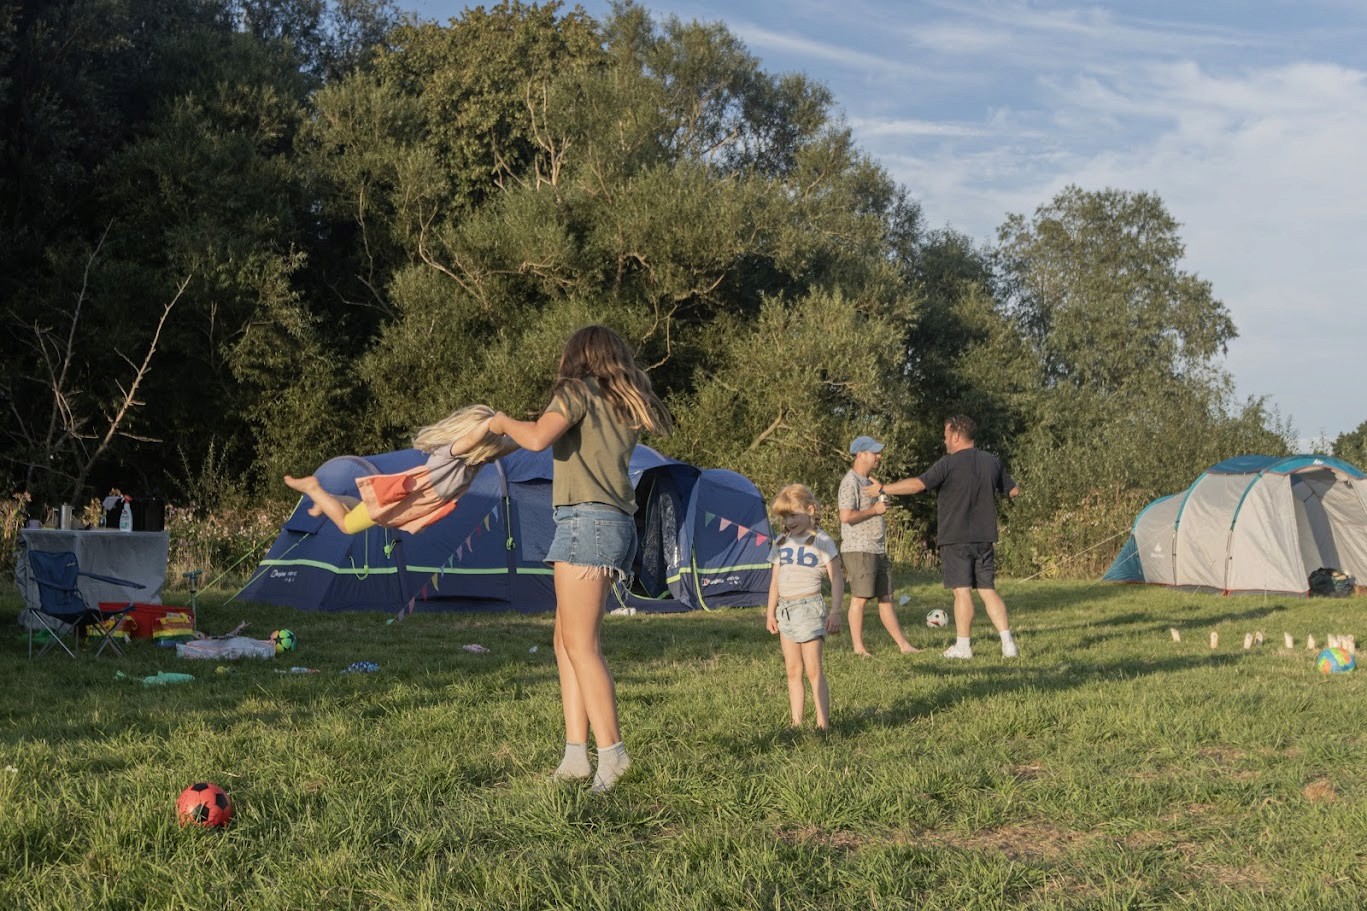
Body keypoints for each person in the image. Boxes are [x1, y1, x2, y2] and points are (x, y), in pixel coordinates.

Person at [486, 325, 672, 792]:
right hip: (611, 524)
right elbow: (543, 438)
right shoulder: (619, 402)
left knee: (583, 647)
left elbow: (534, 439)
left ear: (577, 356)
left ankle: (613, 756)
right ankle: (575, 757)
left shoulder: (575, 391)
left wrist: (500, 421)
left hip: (585, 524)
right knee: (565, 643)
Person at [867, 415, 1020, 659]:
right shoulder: (992, 461)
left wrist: (884, 488)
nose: (944, 439)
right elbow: (1013, 490)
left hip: (956, 538)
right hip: (984, 538)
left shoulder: (948, 463)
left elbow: (917, 485)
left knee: (962, 593)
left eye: (946, 435)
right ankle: (1008, 645)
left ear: (957, 436)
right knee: (988, 590)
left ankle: (963, 647)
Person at [284, 404, 516, 535]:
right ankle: (314, 489)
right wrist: (490, 423)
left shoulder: (475, 462)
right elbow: (470, 441)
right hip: (408, 496)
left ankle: (328, 500)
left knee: (370, 513)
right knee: (347, 525)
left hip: (414, 503)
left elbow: (506, 448)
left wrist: (534, 434)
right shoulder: (451, 454)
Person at [765, 484, 843, 731]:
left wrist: (836, 611)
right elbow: (775, 580)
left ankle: (823, 724)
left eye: (794, 514)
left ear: (810, 510)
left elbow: (837, 578)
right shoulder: (780, 541)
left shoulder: (822, 541)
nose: (789, 521)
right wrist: (770, 612)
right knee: (792, 670)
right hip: (785, 611)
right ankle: (796, 722)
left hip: (810, 610)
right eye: (785, 516)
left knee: (813, 670)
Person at [837, 435, 919, 656]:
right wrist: (875, 510)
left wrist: (881, 498)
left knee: (887, 598)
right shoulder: (850, 482)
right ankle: (859, 648)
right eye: (875, 453)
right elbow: (845, 516)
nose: (879, 456)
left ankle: (904, 646)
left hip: (877, 548)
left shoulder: (870, 482)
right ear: (861, 454)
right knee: (860, 598)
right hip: (858, 549)